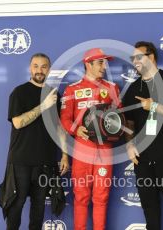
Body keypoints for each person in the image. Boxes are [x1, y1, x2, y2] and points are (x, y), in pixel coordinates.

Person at [123, 41, 163, 230]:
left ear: (151, 57)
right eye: (132, 58)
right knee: (150, 210)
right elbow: (129, 123)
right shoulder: (134, 88)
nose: (135, 62)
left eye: (139, 57)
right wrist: (129, 145)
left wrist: (154, 106)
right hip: (143, 160)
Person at [3, 53, 69, 230]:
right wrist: (43, 106)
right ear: (30, 68)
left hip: (45, 162)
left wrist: (64, 155)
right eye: (36, 66)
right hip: (21, 161)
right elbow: (18, 122)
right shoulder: (19, 92)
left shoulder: (54, 95)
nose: (40, 70)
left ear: (49, 69)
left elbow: (59, 128)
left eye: (44, 66)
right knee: (16, 205)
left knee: (39, 207)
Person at [60, 48, 121, 230]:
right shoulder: (72, 89)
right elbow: (64, 119)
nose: (105, 66)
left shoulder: (112, 88)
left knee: (101, 197)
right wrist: (76, 130)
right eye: (101, 62)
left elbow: (119, 118)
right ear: (88, 64)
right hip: (82, 150)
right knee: (80, 196)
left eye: (105, 62)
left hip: (105, 150)